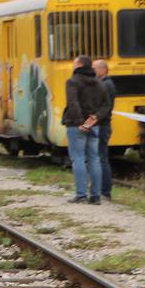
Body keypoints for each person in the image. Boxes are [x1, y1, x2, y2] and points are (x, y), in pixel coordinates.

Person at [62, 55, 105, 204]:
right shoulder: (99, 83)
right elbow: (106, 104)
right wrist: (95, 118)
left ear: (79, 65)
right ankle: (96, 196)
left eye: (74, 63)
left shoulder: (73, 82)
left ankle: (81, 195)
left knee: (78, 158)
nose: (72, 65)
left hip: (76, 126)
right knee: (94, 158)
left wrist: (81, 122)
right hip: (94, 125)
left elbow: (73, 103)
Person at [92, 58, 118, 202]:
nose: (93, 71)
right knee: (100, 157)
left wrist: (91, 121)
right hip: (102, 124)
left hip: (102, 125)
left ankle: (105, 191)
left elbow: (103, 107)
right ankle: (101, 189)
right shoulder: (106, 84)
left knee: (101, 157)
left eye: (95, 68)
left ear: (103, 69)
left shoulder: (106, 85)